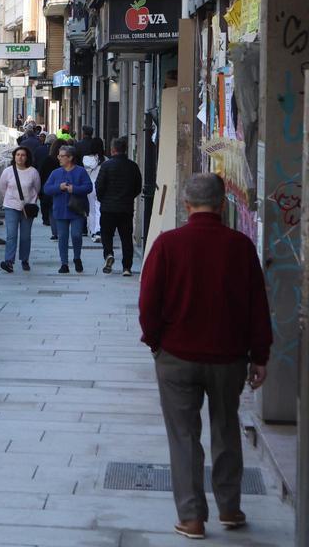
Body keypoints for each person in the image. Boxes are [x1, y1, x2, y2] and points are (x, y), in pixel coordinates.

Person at [139, 172, 272, 540]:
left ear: (186, 205)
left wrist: (155, 342)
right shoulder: (241, 246)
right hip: (229, 357)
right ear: (221, 203)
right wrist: (259, 355)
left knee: (183, 436)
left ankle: (193, 516)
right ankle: (230, 507)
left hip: (177, 354)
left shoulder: (168, 245)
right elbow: (257, 306)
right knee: (227, 428)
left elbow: (148, 302)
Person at [42, 144, 93, 273]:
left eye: (62, 156)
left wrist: (73, 189)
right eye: (58, 155)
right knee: (63, 237)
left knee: (76, 235)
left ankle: (77, 258)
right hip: (60, 209)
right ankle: (64, 263)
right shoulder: (55, 173)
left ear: (70, 158)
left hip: (77, 209)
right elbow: (46, 189)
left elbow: (88, 187)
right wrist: (59, 187)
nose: (59, 158)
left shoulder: (80, 171)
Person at [97, 137, 143, 276]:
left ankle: (109, 254)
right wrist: (128, 198)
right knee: (126, 238)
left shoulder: (106, 166)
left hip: (108, 208)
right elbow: (138, 187)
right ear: (125, 150)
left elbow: (99, 186)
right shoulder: (133, 166)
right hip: (126, 208)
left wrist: (103, 200)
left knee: (107, 235)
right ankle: (127, 267)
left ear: (112, 150)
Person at [0, 145, 41, 273]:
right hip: (11, 206)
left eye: (22, 155)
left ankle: (24, 259)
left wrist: (30, 201)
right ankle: (9, 261)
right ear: (14, 157)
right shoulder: (8, 171)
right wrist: (10, 199)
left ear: (27, 157)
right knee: (11, 235)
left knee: (25, 236)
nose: (20, 157)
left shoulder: (33, 172)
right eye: (17, 155)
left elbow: (37, 188)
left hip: (28, 208)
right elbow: (2, 187)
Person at [36, 136, 61, 236]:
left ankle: (51, 226)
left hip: (48, 188)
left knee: (50, 208)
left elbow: (42, 173)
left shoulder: (47, 159)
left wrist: (39, 188)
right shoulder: (65, 161)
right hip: (61, 188)